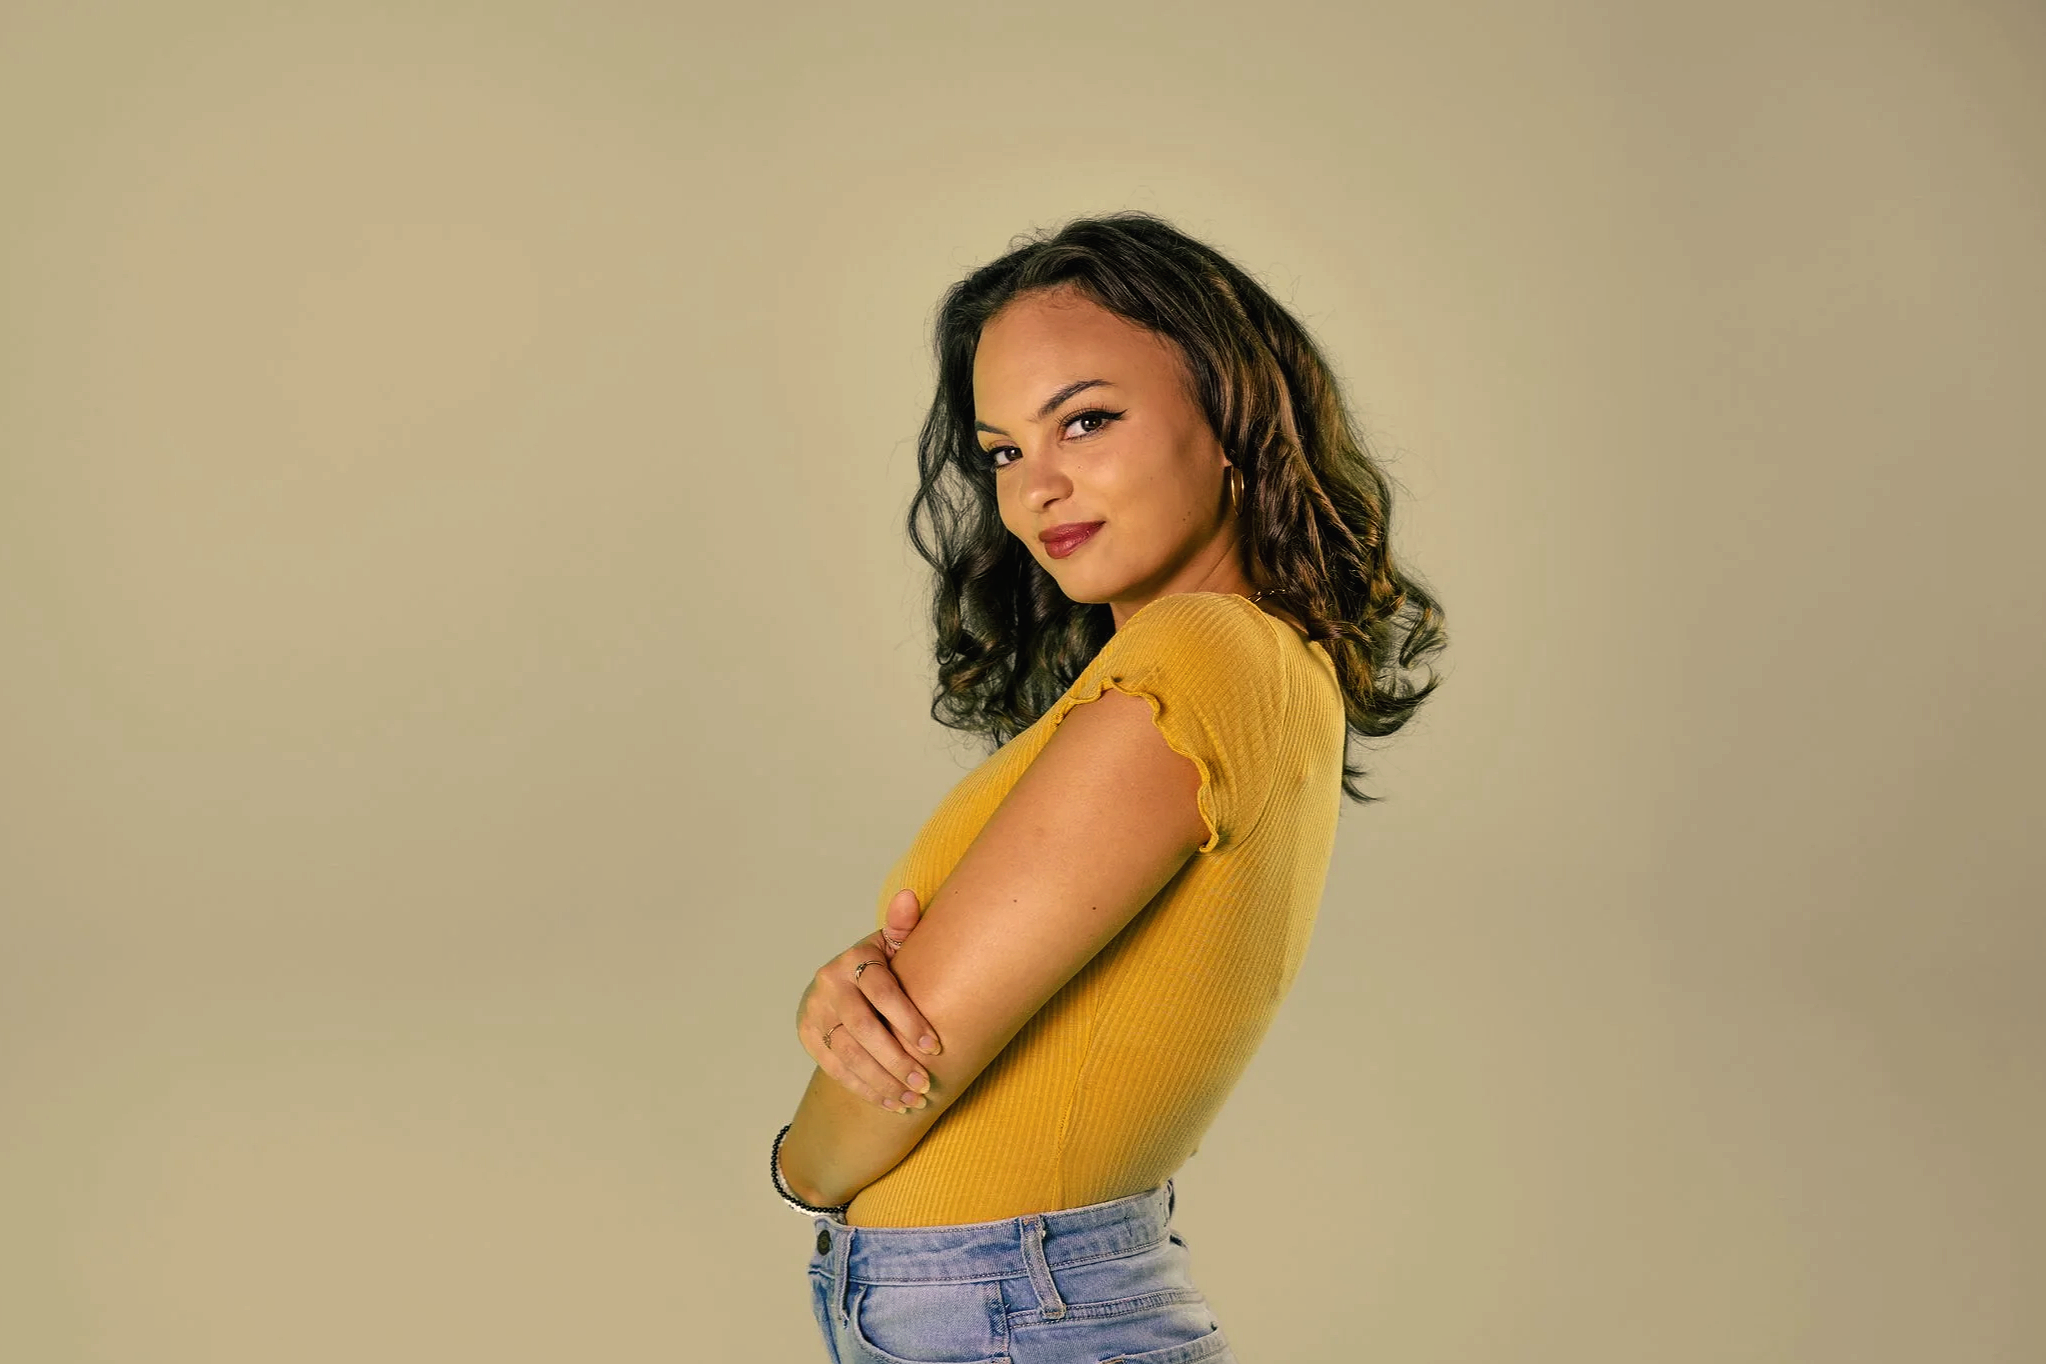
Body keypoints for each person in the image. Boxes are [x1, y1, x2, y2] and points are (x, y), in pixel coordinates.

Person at [771, 210, 1446, 1362]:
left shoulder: (1201, 654)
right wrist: (845, 1007)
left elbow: (906, 1067)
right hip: (1018, 1307)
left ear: (1228, 413)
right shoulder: (1224, 663)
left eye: (1086, 419)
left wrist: (797, 1154)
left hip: (1015, 1315)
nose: (1038, 487)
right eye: (1002, 452)